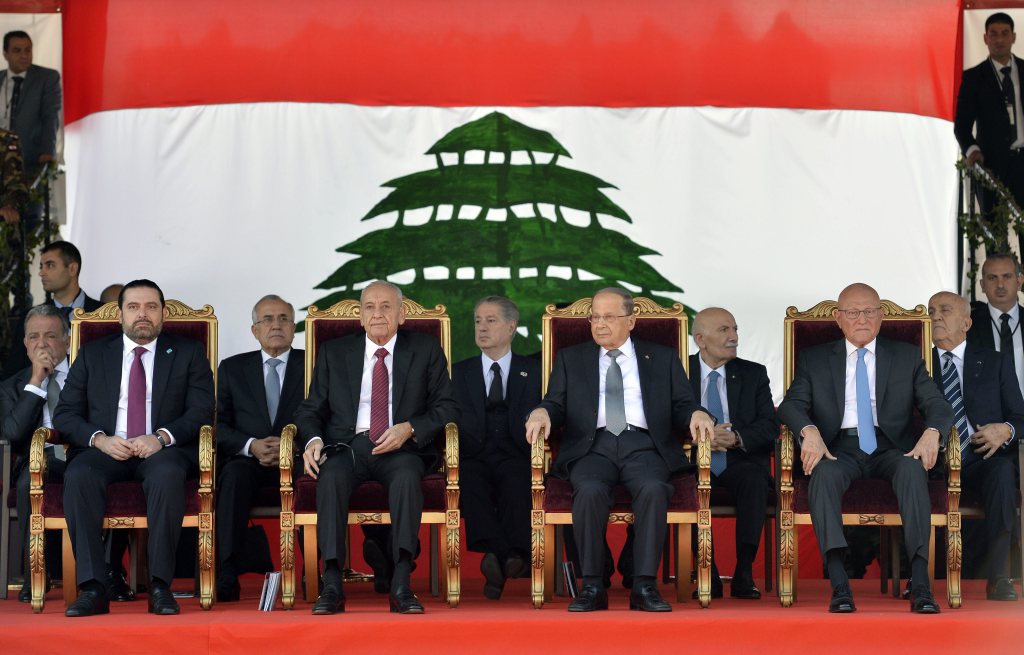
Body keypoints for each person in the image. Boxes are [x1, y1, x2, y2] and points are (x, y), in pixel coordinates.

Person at [525, 287, 715, 612]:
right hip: (591, 447)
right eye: (595, 317)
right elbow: (554, 403)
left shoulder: (661, 357)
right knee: (587, 491)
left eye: (609, 317)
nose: (600, 324)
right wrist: (541, 411)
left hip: (644, 445)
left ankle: (643, 586)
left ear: (631, 320)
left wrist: (697, 413)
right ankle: (593, 586)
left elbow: (683, 403)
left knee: (655, 489)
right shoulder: (572, 358)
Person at [778, 283, 952, 614]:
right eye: (854, 312)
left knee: (913, 469)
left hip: (891, 447)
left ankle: (920, 583)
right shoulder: (815, 359)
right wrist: (809, 430)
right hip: (838, 448)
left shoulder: (905, 356)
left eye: (870, 311)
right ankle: (840, 583)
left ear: (881, 316)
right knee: (823, 475)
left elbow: (938, 406)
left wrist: (932, 432)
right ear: (839, 318)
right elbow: (791, 405)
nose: (862, 319)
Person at [295, 280, 459, 615]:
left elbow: (447, 407)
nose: (377, 314)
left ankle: (401, 581)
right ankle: (332, 583)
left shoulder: (425, 349)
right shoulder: (336, 352)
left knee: (405, 479)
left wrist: (409, 428)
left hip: (401, 446)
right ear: (360, 317)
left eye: (386, 306)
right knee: (331, 478)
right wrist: (312, 440)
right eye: (369, 307)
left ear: (402, 315)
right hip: (347, 446)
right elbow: (311, 409)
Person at [53, 279, 215, 616]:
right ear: (120, 314)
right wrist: (100, 439)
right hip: (106, 449)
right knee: (79, 474)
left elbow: (202, 412)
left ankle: (159, 586)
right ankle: (94, 588)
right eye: (134, 307)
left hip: (162, 450)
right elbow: (65, 414)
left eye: (151, 307)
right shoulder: (94, 354)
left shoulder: (187, 353)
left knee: (168, 475)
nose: (143, 314)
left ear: (164, 314)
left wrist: (160, 438)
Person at [929, 291, 1022, 601]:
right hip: (934, 459)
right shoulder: (917, 364)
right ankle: (918, 579)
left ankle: (998, 576)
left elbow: (1020, 416)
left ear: (966, 322)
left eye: (944, 310)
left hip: (983, 456)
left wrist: (1005, 430)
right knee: (907, 473)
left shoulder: (995, 362)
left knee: (1003, 474)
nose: (936, 316)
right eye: (931, 311)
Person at [214, 295, 304, 601]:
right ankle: (226, 572)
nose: (276, 325)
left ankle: (314, 571)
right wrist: (250, 445)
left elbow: (329, 417)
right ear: (254, 330)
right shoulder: (232, 369)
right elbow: (217, 425)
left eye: (283, 319)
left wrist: (293, 447)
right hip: (249, 459)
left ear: (294, 327)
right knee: (233, 477)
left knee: (318, 475)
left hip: (300, 457)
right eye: (267, 319)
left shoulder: (314, 364)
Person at [452, 296, 540, 599]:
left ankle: (495, 558)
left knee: (517, 479)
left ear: (512, 326)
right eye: (478, 321)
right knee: (469, 479)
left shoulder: (535, 370)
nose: (482, 328)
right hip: (473, 451)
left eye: (491, 320)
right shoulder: (458, 372)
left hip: (516, 450)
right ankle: (509, 555)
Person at [689, 307, 778, 600]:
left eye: (735, 329)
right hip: (692, 459)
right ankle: (707, 572)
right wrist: (697, 440)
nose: (733, 337)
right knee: (684, 485)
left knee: (754, 480)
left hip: (738, 458)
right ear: (700, 339)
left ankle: (744, 571)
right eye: (724, 330)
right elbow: (661, 420)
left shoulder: (754, 373)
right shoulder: (678, 372)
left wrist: (736, 438)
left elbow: (769, 426)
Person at [0, 304, 68, 602]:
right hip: (37, 461)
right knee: (31, 481)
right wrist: (36, 383)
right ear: (25, 343)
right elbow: (13, 434)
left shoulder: (87, 373)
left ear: (66, 340)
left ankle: (106, 572)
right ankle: (35, 574)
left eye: (50, 336)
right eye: (34, 337)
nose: (42, 343)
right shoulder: (11, 386)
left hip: (84, 455)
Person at [955, 13, 1024, 229]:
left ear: (1014, 37)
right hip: (991, 167)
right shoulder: (973, 77)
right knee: (995, 235)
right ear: (985, 38)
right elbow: (962, 126)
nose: (999, 39)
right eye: (993, 34)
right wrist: (973, 150)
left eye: (1005, 33)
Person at [0, 31, 60, 192]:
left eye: (28, 50)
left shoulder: (47, 78)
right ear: (5, 54)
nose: (24, 55)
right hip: (1, 162)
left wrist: (48, 151)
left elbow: (51, 116)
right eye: (17, 50)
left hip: (32, 160)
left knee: (31, 214)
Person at [968, 254, 1024, 397]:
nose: (1000, 285)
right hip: (986, 417)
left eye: (1006, 276)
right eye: (992, 278)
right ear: (982, 285)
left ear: (1019, 281)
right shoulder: (967, 325)